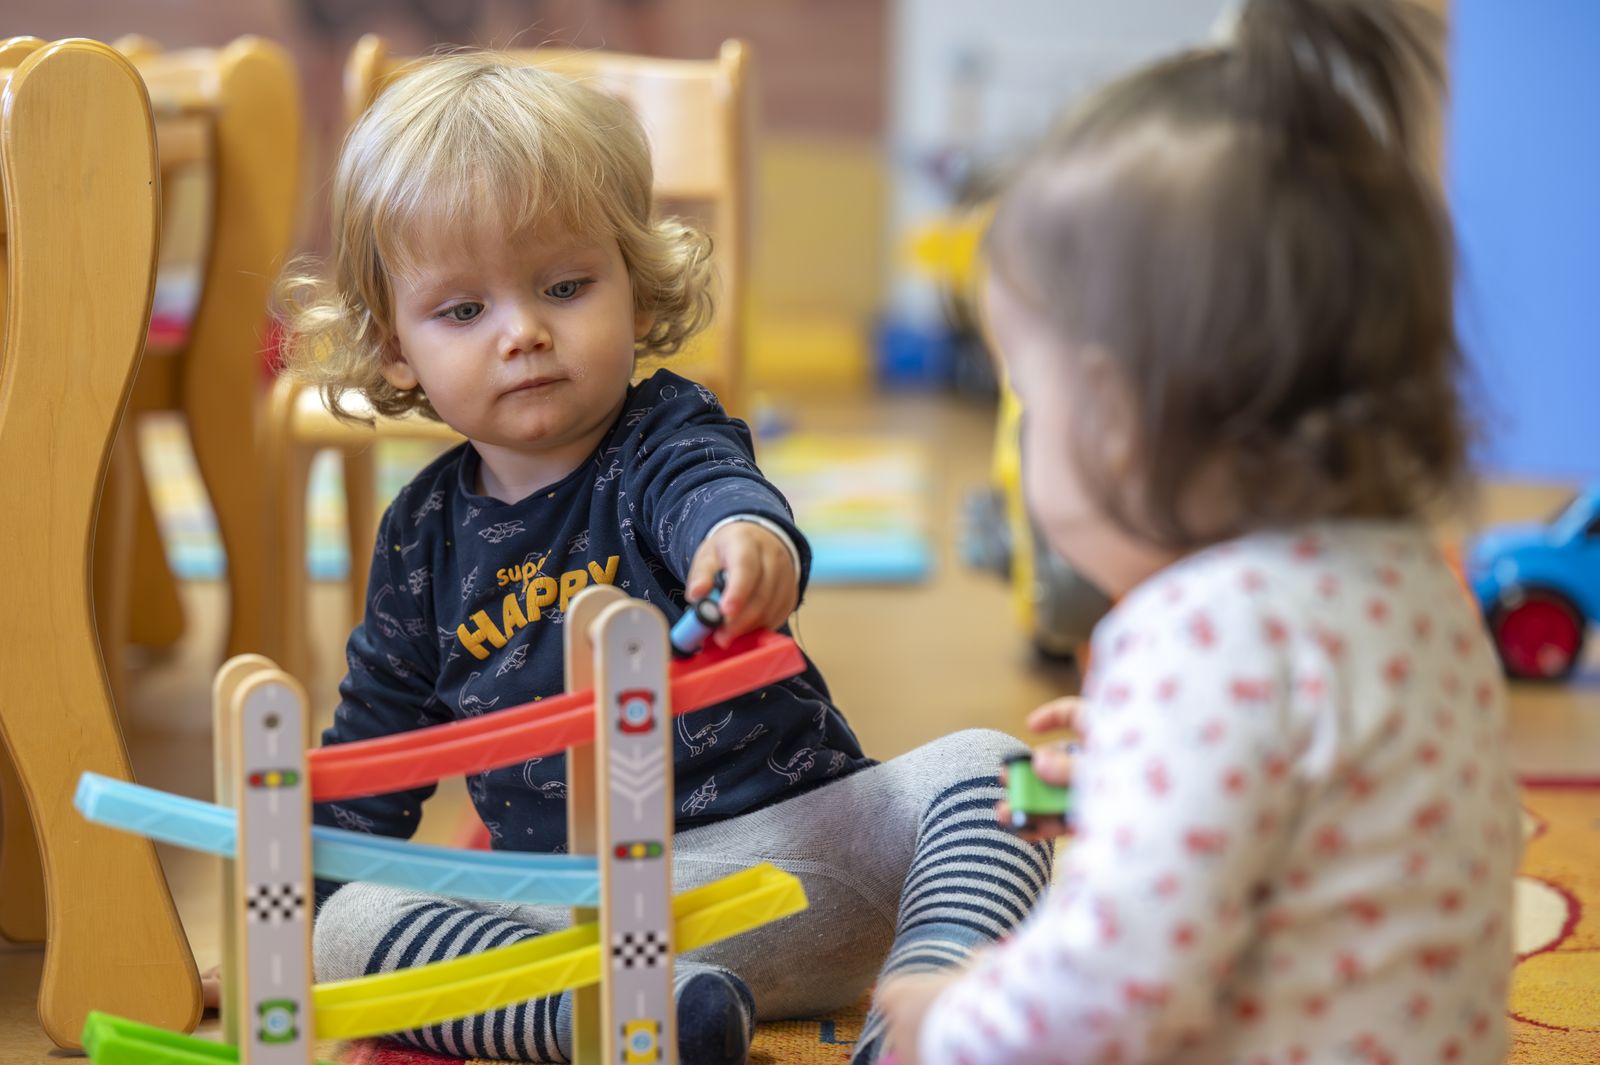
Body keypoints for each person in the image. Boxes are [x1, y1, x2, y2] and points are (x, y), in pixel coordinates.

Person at [275, 53, 1052, 1065]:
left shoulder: (662, 432)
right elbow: (368, 757)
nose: (524, 334)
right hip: (580, 921)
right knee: (348, 932)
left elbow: (714, 492)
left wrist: (745, 542)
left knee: (1002, 771)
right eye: (464, 311)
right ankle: (641, 1019)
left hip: (793, 863)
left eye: (564, 286)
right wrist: (301, 925)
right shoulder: (419, 533)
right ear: (392, 349)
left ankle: (932, 1000)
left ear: (636, 295)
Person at [876, 1, 1523, 1062]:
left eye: (1026, 398)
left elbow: (1109, 991)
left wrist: (950, 1020)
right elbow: (1335, 820)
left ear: (1118, 424)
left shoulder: (1207, 637)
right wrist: (1139, 770)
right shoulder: (1409, 586)